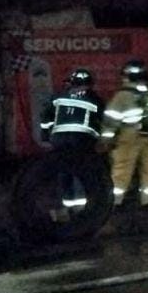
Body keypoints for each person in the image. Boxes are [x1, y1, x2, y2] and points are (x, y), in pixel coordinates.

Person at [101, 59, 148, 207]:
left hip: (129, 137)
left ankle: (115, 202)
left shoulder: (122, 96)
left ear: (126, 76)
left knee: (122, 171)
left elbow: (111, 120)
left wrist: (106, 139)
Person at [39, 68, 104, 213]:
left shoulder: (58, 97)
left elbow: (45, 118)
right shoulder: (94, 99)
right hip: (82, 140)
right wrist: (101, 140)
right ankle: (83, 210)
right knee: (82, 171)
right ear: (89, 84)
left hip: (59, 140)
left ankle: (68, 206)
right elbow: (103, 121)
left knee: (64, 171)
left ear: (71, 83)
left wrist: (45, 137)